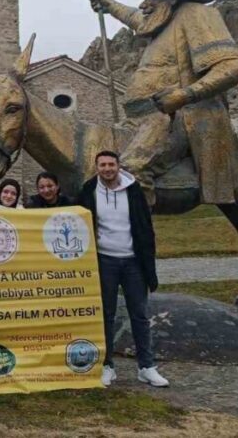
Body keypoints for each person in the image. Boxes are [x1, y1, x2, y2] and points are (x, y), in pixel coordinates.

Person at [89, 0, 238, 206]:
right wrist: (108, 4)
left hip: (176, 118)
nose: (143, 3)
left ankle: (141, 236)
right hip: (140, 119)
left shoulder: (196, 15)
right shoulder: (162, 20)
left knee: (129, 170)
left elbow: (234, 67)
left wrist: (184, 95)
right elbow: (136, 19)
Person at [78, 151, 169, 388]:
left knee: (139, 314)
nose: (107, 168)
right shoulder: (88, 190)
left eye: (111, 164)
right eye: (102, 165)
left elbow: (145, 226)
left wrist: (148, 262)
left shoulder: (133, 190)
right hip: (104, 260)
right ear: (96, 167)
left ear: (118, 166)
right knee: (106, 315)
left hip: (132, 261)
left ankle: (146, 367)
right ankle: (107, 366)